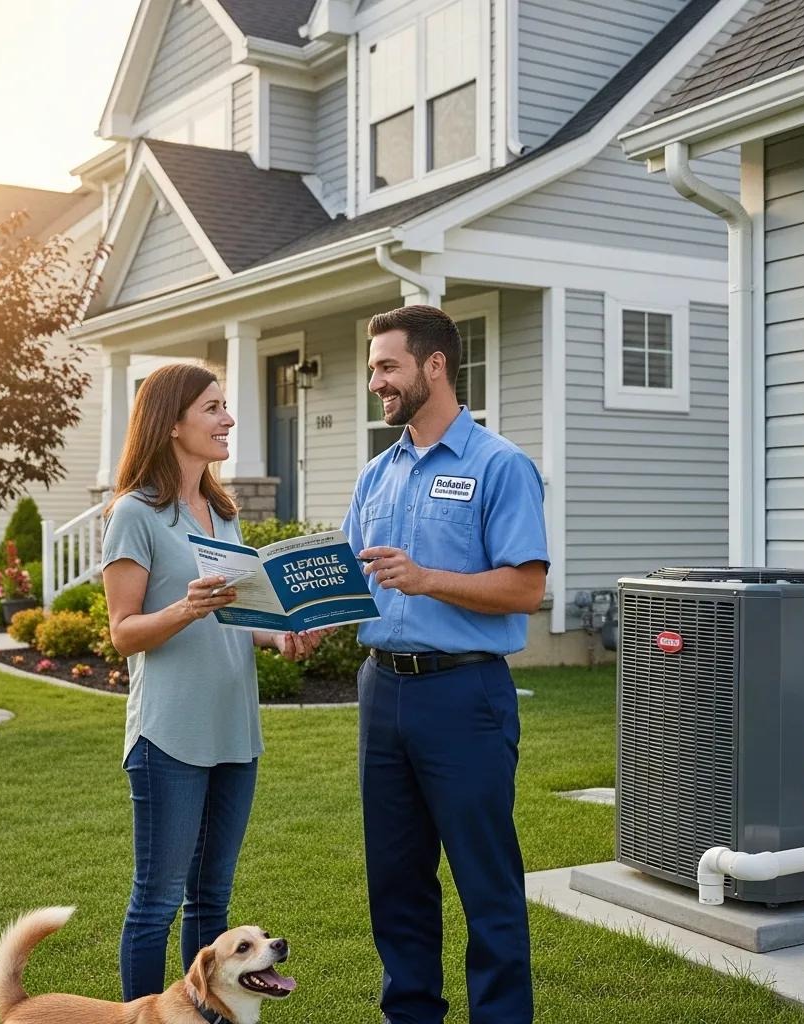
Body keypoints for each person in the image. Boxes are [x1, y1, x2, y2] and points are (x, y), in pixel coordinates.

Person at [343, 305, 549, 1024]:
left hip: (465, 696)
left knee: (486, 883)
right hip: (382, 694)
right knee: (396, 882)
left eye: (388, 366)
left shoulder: (501, 466)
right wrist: (300, 625)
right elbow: (351, 582)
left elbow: (527, 586)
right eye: (373, 368)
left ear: (435, 366)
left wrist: (427, 577)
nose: (376, 381)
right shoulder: (376, 475)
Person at [101, 362, 326, 1000]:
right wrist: (185, 608)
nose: (228, 419)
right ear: (172, 423)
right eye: (212, 408)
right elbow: (124, 632)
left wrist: (280, 634)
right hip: (170, 733)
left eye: (225, 406)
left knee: (212, 901)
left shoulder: (223, 515)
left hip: (235, 729)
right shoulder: (134, 515)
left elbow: (239, 617)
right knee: (157, 901)